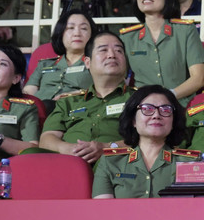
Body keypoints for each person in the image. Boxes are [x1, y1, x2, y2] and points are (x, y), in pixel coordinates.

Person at [40, 32, 136, 164]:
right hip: (68, 165)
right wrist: (69, 149)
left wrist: (108, 148)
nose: (112, 55)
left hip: (117, 165)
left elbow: (151, 140)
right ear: (87, 62)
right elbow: (47, 139)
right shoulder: (68, 101)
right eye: (103, 50)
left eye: (119, 51)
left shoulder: (140, 99)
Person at [119, 0, 204, 106]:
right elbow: (118, 79)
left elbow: (199, 78)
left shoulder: (185, 30)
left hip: (180, 105)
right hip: (142, 108)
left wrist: (168, 97)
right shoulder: (128, 37)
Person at [92, 85, 192, 198]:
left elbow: (197, 206)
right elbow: (103, 207)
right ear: (133, 120)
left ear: (173, 121)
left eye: (165, 110)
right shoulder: (111, 162)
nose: (156, 115)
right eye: (147, 109)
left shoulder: (190, 163)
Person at [23, 9, 98, 112]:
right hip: (39, 112)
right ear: (61, 33)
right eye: (70, 28)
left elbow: (105, 90)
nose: (77, 33)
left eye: (84, 28)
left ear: (92, 35)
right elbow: (28, 92)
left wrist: (74, 94)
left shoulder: (96, 64)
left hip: (75, 111)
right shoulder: (44, 64)